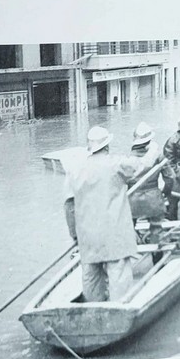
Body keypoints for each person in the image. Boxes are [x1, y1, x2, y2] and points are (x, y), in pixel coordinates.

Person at [63, 126, 139, 303]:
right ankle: (120, 309)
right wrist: (152, 152)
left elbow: (69, 205)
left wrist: (75, 236)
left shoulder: (74, 170)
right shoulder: (116, 164)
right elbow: (138, 166)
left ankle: (91, 311)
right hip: (114, 235)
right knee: (118, 274)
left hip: (88, 236)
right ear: (107, 146)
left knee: (91, 276)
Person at [126, 121, 166, 249]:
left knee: (128, 226)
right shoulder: (159, 155)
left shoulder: (128, 159)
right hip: (153, 199)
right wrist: (165, 193)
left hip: (132, 200)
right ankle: (157, 257)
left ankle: (130, 255)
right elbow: (170, 178)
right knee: (156, 228)